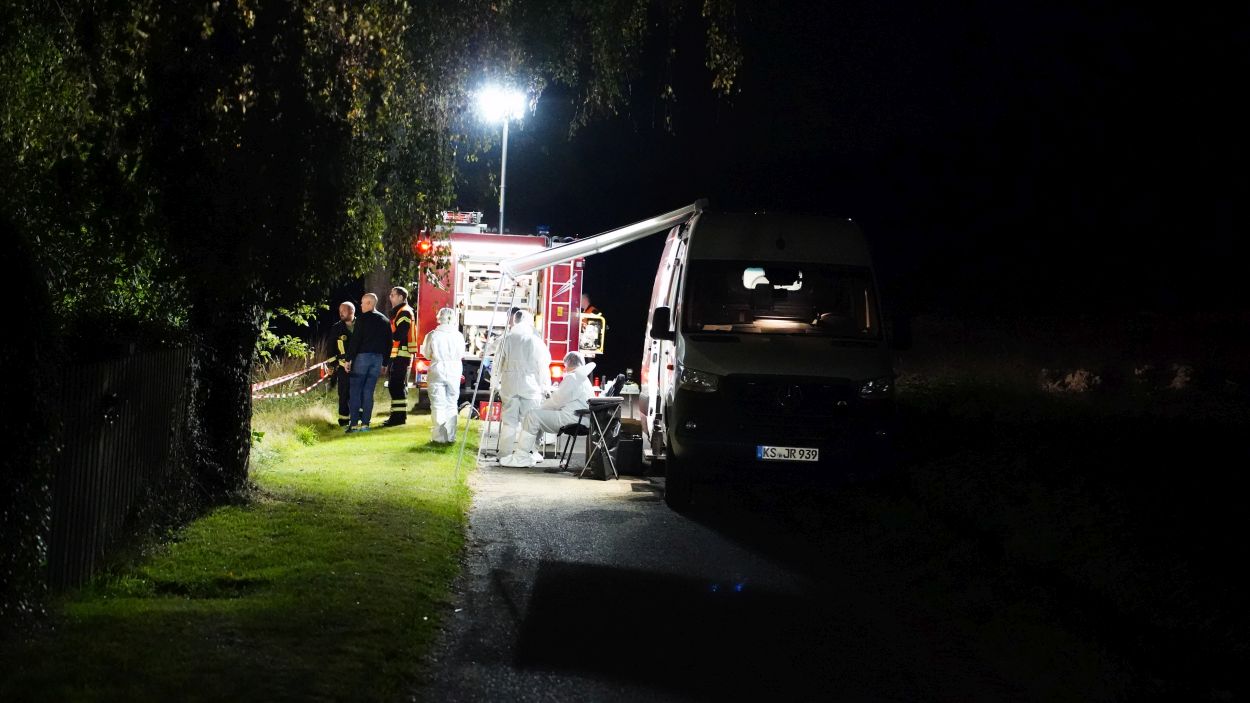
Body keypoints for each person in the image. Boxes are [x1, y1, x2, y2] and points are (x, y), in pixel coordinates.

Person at [500, 352, 597, 467]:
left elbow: (556, 401)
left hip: (572, 419)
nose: (564, 368)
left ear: (568, 364)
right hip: (580, 418)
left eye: (565, 366)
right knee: (538, 416)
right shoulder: (583, 378)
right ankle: (532, 452)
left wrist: (539, 408)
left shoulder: (573, 378)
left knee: (532, 416)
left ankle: (521, 457)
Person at [492, 308, 551, 456]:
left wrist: (495, 383)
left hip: (509, 385)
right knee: (528, 422)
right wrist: (545, 386)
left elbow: (497, 364)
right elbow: (543, 365)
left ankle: (505, 453)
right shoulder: (535, 341)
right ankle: (525, 454)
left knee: (509, 422)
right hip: (530, 386)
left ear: (515, 321)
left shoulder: (507, 339)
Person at [343, 293, 391, 432]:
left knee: (355, 390)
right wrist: (385, 363)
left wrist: (348, 359)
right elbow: (389, 343)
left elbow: (356, 340)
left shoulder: (362, 319)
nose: (361, 305)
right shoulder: (385, 320)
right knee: (368, 392)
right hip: (377, 359)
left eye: (363, 303)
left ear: (370, 303)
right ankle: (365, 424)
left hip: (362, 358)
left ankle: (353, 425)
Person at [421, 307, 465, 443]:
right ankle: (451, 436)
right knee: (452, 403)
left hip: (437, 369)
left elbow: (426, 354)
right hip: (454, 369)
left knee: (438, 404)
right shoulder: (458, 336)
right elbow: (462, 353)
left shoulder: (432, 335)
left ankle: (439, 437)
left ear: (439, 318)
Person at [383, 286, 418, 426]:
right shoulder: (402, 311)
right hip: (400, 354)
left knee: (396, 386)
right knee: (396, 386)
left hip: (401, 355)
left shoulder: (404, 312)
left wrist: (387, 333)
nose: (390, 297)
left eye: (393, 295)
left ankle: (397, 418)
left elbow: (399, 334)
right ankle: (398, 417)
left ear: (401, 297)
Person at [327, 302, 356, 426]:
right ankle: (344, 420)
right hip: (343, 367)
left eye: (343, 310)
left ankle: (359, 418)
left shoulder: (361, 325)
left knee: (359, 392)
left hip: (360, 365)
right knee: (344, 394)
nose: (341, 313)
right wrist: (332, 365)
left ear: (351, 311)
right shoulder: (337, 328)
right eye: (340, 310)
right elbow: (330, 349)